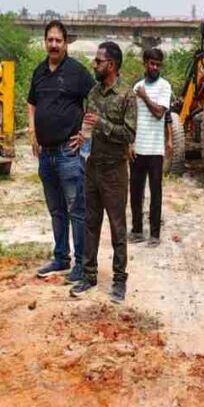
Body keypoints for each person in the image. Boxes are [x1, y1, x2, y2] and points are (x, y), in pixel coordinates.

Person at [27, 20, 94, 283]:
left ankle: (80, 264)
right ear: (45, 42)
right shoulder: (39, 71)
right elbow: (31, 104)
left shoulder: (77, 72)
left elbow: (95, 99)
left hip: (68, 152)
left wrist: (85, 134)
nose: (53, 45)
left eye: (58, 40)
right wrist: (33, 132)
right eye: (50, 40)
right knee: (56, 210)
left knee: (76, 209)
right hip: (46, 154)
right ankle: (60, 258)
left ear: (66, 43)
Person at [70, 41, 136, 303]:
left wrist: (103, 124)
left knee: (118, 228)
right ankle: (89, 275)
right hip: (92, 166)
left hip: (115, 171)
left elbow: (129, 134)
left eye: (98, 61)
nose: (94, 65)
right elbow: (89, 127)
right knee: (90, 224)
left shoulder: (127, 95)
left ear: (112, 65)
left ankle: (119, 282)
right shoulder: (94, 93)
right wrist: (81, 137)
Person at [129, 48, 173, 247]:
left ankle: (154, 234)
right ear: (144, 64)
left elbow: (159, 114)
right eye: (151, 63)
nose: (154, 67)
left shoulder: (164, 86)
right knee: (136, 192)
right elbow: (131, 118)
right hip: (137, 148)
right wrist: (129, 143)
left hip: (155, 150)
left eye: (158, 64)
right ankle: (137, 230)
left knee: (156, 193)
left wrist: (145, 97)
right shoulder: (136, 87)